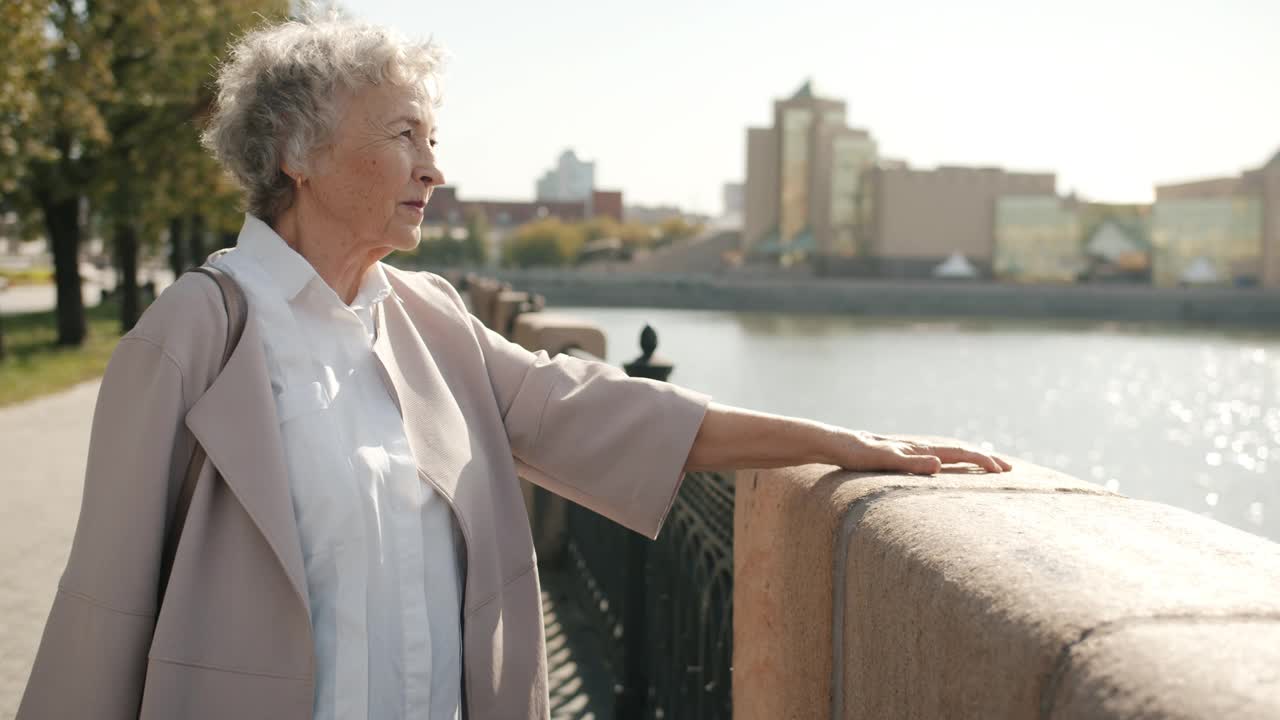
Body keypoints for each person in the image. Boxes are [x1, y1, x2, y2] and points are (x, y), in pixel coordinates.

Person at [18, 15, 1010, 720]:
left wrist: (832, 442)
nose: (432, 169)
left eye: (432, 139)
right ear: (296, 152)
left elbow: (605, 416)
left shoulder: (430, 320)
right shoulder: (193, 332)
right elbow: (103, 606)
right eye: (402, 135)